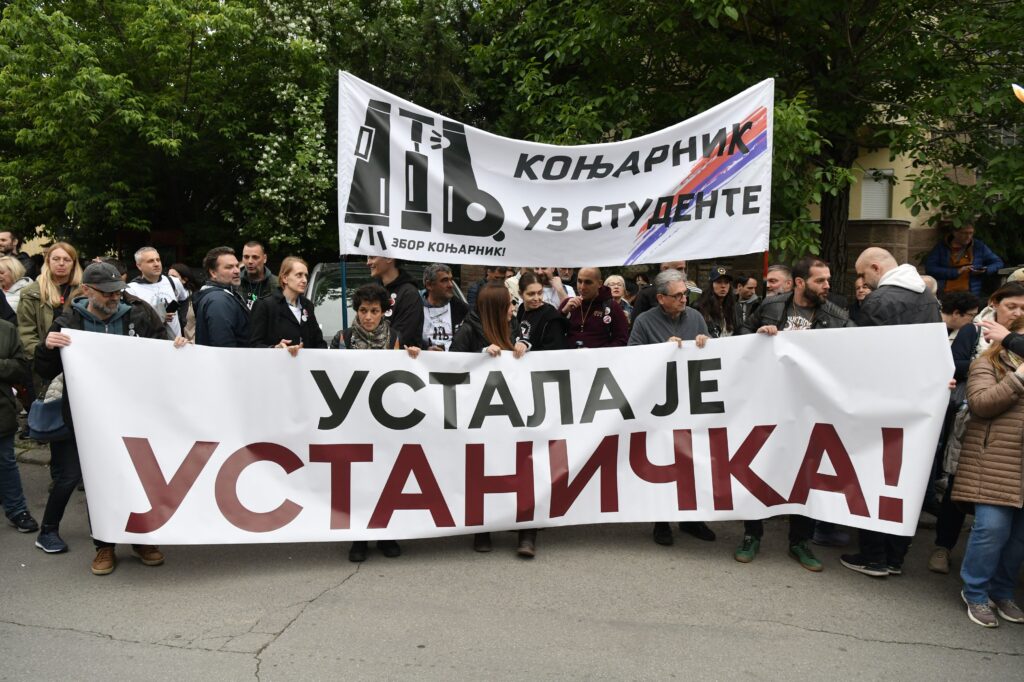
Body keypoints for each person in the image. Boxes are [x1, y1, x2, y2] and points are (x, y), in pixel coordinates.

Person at [34, 262, 185, 574]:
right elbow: (45, 371)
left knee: (139, 475)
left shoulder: (139, 314)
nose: (115, 297)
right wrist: (47, 348)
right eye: (107, 293)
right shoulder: (69, 320)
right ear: (88, 290)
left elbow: (163, 353)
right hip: (88, 418)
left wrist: (178, 348)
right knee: (98, 481)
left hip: (134, 414)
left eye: (118, 291)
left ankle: (142, 538)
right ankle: (104, 545)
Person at [734, 256, 855, 571]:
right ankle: (752, 534)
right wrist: (759, 334)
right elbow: (739, 341)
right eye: (820, 280)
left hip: (809, 408)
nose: (827, 286)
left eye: (828, 279)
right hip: (768, 404)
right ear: (800, 283)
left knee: (806, 473)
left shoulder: (838, 317)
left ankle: (799, 541)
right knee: (759, 465)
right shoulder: (771, 306)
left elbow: (860, 352)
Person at [841, 247, 942, 577]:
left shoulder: (881, 300)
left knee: (874, 478)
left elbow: (863, 356)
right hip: (915, 403)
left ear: (874, 267)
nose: (863, 281)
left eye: (862, 274)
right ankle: (896, 557)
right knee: (903, 481)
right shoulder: (927, 298)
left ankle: (874, 557)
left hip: (881, 403)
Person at [931, 283, 1024, 575]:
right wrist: (983, 366)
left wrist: (1010, 341)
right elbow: (951, 364)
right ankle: (942, 547)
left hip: (1008, 439)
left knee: (996, 511)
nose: (1017, 312)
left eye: (1023, 308)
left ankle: (994, 572)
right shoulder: (973, 331)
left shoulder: (1016, 339)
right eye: (1012, 306)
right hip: (968, 421)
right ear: (995, 303)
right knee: (956, 486)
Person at [331, 283, 418, 562]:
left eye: (375, 311)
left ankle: (385, 532)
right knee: (357, 479)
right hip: (353, 420)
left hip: (385, 422)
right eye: (364, 311)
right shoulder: (342, 339)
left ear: (383, 312)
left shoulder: (395, 337)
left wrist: (415, 356)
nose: (368, 317)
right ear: (357, 310)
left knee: (385, 477)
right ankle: (358, 537)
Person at [629, 269, 716, 545]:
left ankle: (691, 519)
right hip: (660, 403)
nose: (683, 299)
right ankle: (662, 521)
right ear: (660, 298)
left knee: (692, 459)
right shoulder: (644, 321)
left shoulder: (696, 318)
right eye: (677, 295)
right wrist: (660, 350)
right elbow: (631, 357)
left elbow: (713, 355)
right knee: (663, 459)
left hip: (690, 398)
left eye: (685, 294)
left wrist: (705, 344)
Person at [950, 315, 1024, 627]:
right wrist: (1019, 378)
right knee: (991, 530)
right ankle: (976, 592)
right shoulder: (986, 365)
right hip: (994, 461)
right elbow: (980, 404)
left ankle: (1003, 591)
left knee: (1019, 537)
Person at [450, 282, 534, 556]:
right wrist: (479, 358)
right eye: (509, 304)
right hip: (480, 417)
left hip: (514, 415)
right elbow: (450, 369)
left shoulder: (515, 326)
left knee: (522, 470)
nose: (513, 309)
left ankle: (526, 532)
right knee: (482, 472)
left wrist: (524, 347)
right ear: (496, 308)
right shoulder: (467, 332)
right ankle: (482, 530)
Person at [17, 242, 83, 392]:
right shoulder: (31, 292)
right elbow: (26, 332)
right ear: (48, 261)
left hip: (77, 361)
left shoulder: (85, 292)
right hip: (44, 363)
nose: (61, 263)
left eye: (67, 260)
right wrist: (40, 359)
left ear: (74, 263)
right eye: (56, 259)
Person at [0, 314, 36, 533]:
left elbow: (21, 368)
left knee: (5, 462)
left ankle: (16, 510)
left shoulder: (6, 329)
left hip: (1, 410)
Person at [249, 257, 326, 352]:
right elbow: (254, 345)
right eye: (299, 275)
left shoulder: (307, 305)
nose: (304, 280)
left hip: (305, 365)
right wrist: (275, 348)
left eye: (306, 276)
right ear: (285, 278)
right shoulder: (265, 305)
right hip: (276, 365)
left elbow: (319, 342)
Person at [125, 247, 190, 339]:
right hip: (151, 342)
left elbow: (184, 299)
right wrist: (156, 317)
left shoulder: (173, 282)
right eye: (150, 261)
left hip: (176, 343)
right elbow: (131, 320)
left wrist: (182, 320)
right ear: (139, 266)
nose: (156, 264)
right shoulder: (131, 289)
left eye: (158, 260)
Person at [924, 221, 1003, 296]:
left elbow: (998, 262)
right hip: (947, 293)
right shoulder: (942, 247)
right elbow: (930, 268)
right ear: (955, 233)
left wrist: (985, 269)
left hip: (972, 293)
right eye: (964, 233)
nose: (968, 236)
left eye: (971, 233)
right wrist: (957, 271)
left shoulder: (978, 246)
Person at [193, 246, 250, 347]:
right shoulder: (218, 301)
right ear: (213, 273)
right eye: (229, 267)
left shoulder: (224, 294)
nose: (237, 271)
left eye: (237, 266)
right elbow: (224, 346)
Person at [560, 267, 628, 348]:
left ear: (599, 284)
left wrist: (599, 354)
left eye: (588, 282)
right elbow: (552, 334)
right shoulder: (568, 303)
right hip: (569, 358)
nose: (582, 287)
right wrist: (563, 312)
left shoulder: (612, 306)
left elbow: (621, 339)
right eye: (579, 281)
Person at [367, 256, 424, 349]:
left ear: (389, 258)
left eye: (372, 257)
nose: (368, 263)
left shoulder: (409, 294)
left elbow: (399, 339)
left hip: (398, 360)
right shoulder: (371, 291)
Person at [514, 272, 568, 353]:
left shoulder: (551, 316)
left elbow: (556, 351)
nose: (536, 298)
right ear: (521, 294)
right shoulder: (521, 309)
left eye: (540, 293)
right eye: (531, 294)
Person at [421, 264, 467, 351]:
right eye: (444, 280)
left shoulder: (462, 310)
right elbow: (408, 339)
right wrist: (425, 349)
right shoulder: (415, 309)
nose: (450, 285)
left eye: (451, 280)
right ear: (429, 285)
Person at [694, 265, 739, 337]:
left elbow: (739, 329)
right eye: (719, 282)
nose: (723, 286)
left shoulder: (734, 305)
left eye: (726, 282)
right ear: (711, 285)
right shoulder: (700, 306)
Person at [237, 240, 279, 309]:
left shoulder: (278, 285)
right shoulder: (234, 284)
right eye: (246, 257)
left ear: (265, 258)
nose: (250, 261)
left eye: (255, 257)